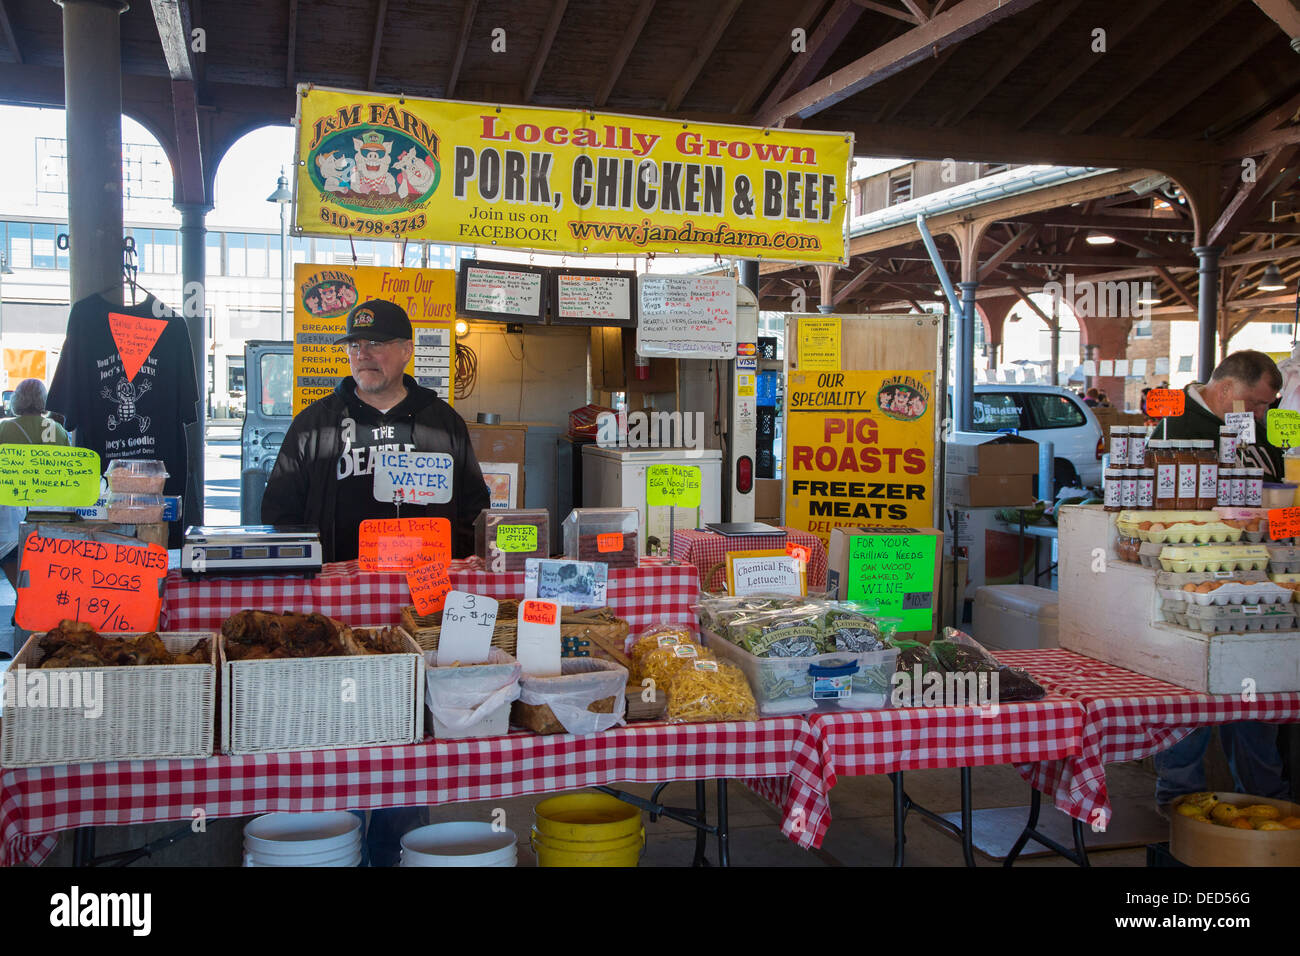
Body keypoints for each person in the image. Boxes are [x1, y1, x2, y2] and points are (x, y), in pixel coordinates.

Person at [261, 299, 491, 865]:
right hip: (336, 619)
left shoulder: (443, 423)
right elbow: (279, 511)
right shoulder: (314, 424)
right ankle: (327, 842)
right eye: (356, 345)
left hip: (420, 610)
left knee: (406, 732)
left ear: (407, 352)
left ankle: (395, 847)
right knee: (334, 731)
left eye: (378, 343)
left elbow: (475, 510)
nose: (364, 355)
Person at [1150, 350, 1290, 811]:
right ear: (1227, 388)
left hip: (1259, 575)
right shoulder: (1175, 427)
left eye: (1267, 405)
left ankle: (1266, 800)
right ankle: (1180, 802)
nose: (1261, 413)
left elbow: (1274, 483)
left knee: (1258, 690)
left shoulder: (1255, 428)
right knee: (1191, 694)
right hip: (1192, 579)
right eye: (1254, 403)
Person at [0, 379, 72, 590]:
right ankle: (36, 595)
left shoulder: (4, 428)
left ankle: (21, 594)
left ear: (17, 399)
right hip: (49, 505)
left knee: (10, 555)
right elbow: (66, 468)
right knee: (44, 555)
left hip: (11, 504)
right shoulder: (57, 429)